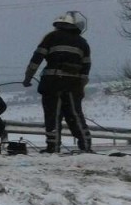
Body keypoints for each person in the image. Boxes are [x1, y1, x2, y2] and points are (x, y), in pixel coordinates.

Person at [23, 11, 92, 153]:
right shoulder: (82, 42)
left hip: (52, 84)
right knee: (75, 115)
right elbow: (86, 68)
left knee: (52, 116)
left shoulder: (51, 37)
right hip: (73, 85)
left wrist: (28, 77)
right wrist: (81, 87)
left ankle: (53, 147)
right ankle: (85, 145)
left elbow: (37, 58)